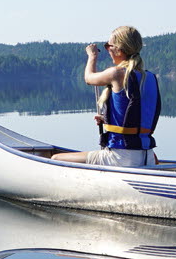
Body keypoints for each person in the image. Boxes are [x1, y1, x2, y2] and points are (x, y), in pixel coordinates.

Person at [51, 25, 161, 166]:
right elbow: (136, 114)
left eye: (108, 46)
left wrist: (92, 56)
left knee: (55, 159)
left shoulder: (117, 73)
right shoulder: (150, 77)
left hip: (121, 157)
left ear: (119, 50)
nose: (107, 49)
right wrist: (107, 120)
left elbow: (89, 78)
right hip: (148, 156)